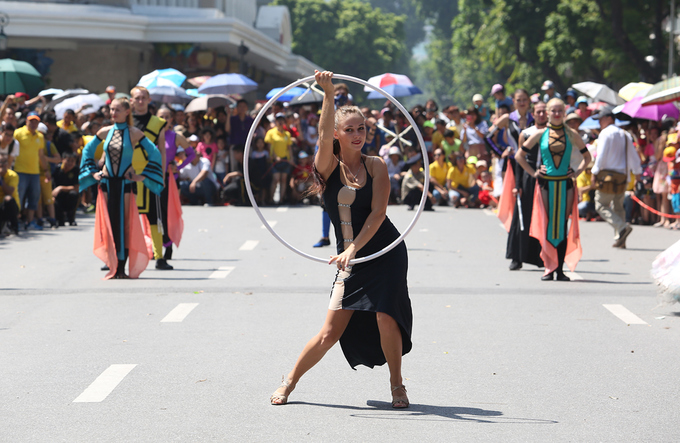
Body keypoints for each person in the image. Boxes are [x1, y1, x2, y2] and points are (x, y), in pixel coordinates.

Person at [270, 71, 413, 408]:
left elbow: (378, 214)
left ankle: (397, 385)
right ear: (337, 134)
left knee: (385, 316)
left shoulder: (376, 165)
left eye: (362, 128)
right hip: (350, 261)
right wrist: (329, 94)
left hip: (385, 252)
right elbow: (321, 138)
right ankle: (289, 382)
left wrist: (352, 247)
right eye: (349, 130)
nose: (357, 134)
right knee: (329, 332)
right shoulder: (328, 166)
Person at [79, 97, 164, 279]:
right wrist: (93, 172)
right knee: (109, 224)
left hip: (126, 183)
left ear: (127, 112)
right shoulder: (104, 131)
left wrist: (142, 175)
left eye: (117, 110)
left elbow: (154, 153)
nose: (113, 113)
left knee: (125, 225)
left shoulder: (134, 133)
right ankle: (112, 265)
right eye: (111, 110)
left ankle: (122, 268)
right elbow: (87, 150)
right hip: (108, 184)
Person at [515, 98, 591, 281]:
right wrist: (534, 173)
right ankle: (549, 267)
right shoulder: (540, 134)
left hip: (566, 184)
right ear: (547, 113)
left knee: (562, 225)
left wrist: (577, 171)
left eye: (560, 110)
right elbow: (519, 156)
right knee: (547, 224)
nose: (557, 114)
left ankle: (560, 270)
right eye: (553, 110)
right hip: (546, 184)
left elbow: (587, 157)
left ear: (564, 113)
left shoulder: (571, 134)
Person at [501, 101, 546, 271]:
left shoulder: (554, 133)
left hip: (547, 179)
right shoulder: (526, 134)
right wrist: (518, 184)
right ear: (533, 114)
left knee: (543, 218)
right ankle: (516, 257)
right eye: (538, 112)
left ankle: (540, 256)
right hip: (529, 178)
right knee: (522, 218)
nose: (541, 115)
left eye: (544, 112)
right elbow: (519, 161)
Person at [130, 86, 170, 270]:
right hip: (128, 175)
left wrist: (160, 175)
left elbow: (162, 149)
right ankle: (121, 254)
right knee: (126, 217)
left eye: (143, 98)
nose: (140, 101)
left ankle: (159, 257)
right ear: (131, 100)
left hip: (150, 175)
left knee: (155, 217)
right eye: (137, 98)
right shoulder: (125, 121)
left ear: (149, 100)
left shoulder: (158, 122)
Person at [591, 105, 642, 248]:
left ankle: (622, 227)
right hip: (622, 177)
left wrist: (595, 172)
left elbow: (600, 156)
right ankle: (621, 239)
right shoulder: (625, 135)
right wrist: (637, 174)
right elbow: (633, 157)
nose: (599, 122)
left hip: (607, 176)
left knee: (600, 205)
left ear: (608, 118)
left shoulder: (605, 133)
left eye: (601, 119)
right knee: (618, 207)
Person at [156, 106, 195, 261]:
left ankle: (168, 246)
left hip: (170, 180)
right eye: (161, 116)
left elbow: (191, 154)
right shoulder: (151, 135)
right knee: (154, 214)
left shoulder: (175, 136)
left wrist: (177, 167)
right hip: (153, 178)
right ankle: (155, 246)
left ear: (171, 119)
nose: (164, 120)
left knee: (168, 214)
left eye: (167, 116)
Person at [13, 112, 49, 230]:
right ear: (26, 121)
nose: (34, 124)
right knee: (19, 198)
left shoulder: (40, 136)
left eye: (36, 121)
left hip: (34, 172)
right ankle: (15, 222)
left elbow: (41, 155)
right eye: (31, 121)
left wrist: (46, 169)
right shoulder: (18, 133)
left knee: (34, 197)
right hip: (20, 171)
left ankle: (29, 222)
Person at [265, 113, 293, 205]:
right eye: (278, 120)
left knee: (284, 179)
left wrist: (291, 158)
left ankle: (281, 199)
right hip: (275, 160)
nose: (280, 122)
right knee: (276, 179)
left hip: (285, 159)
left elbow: (289, 148)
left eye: (282, 120)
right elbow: (269, 146)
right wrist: (274, 156)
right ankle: (271, 199)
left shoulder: (287, 134)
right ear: (276, 121)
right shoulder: (271, 132)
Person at [51, 152, 80, 226]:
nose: (70, 163)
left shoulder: (76, 170)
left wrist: (61, 188)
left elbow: (76, 188)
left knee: (74, 194)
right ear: (63, 160)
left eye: (72, 161)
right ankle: (60, 219)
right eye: (68, 160)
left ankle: (71, 219)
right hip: (58, 194)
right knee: (54, 200)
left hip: (69, 194)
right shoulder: (57, 169)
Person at [0, 154, 20, 235]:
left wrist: (1, 180)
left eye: (3, 162)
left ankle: (14, 227)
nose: (1, 165)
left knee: (8, 199)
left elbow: (9, 192)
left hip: (10, 208)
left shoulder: (13, 175)